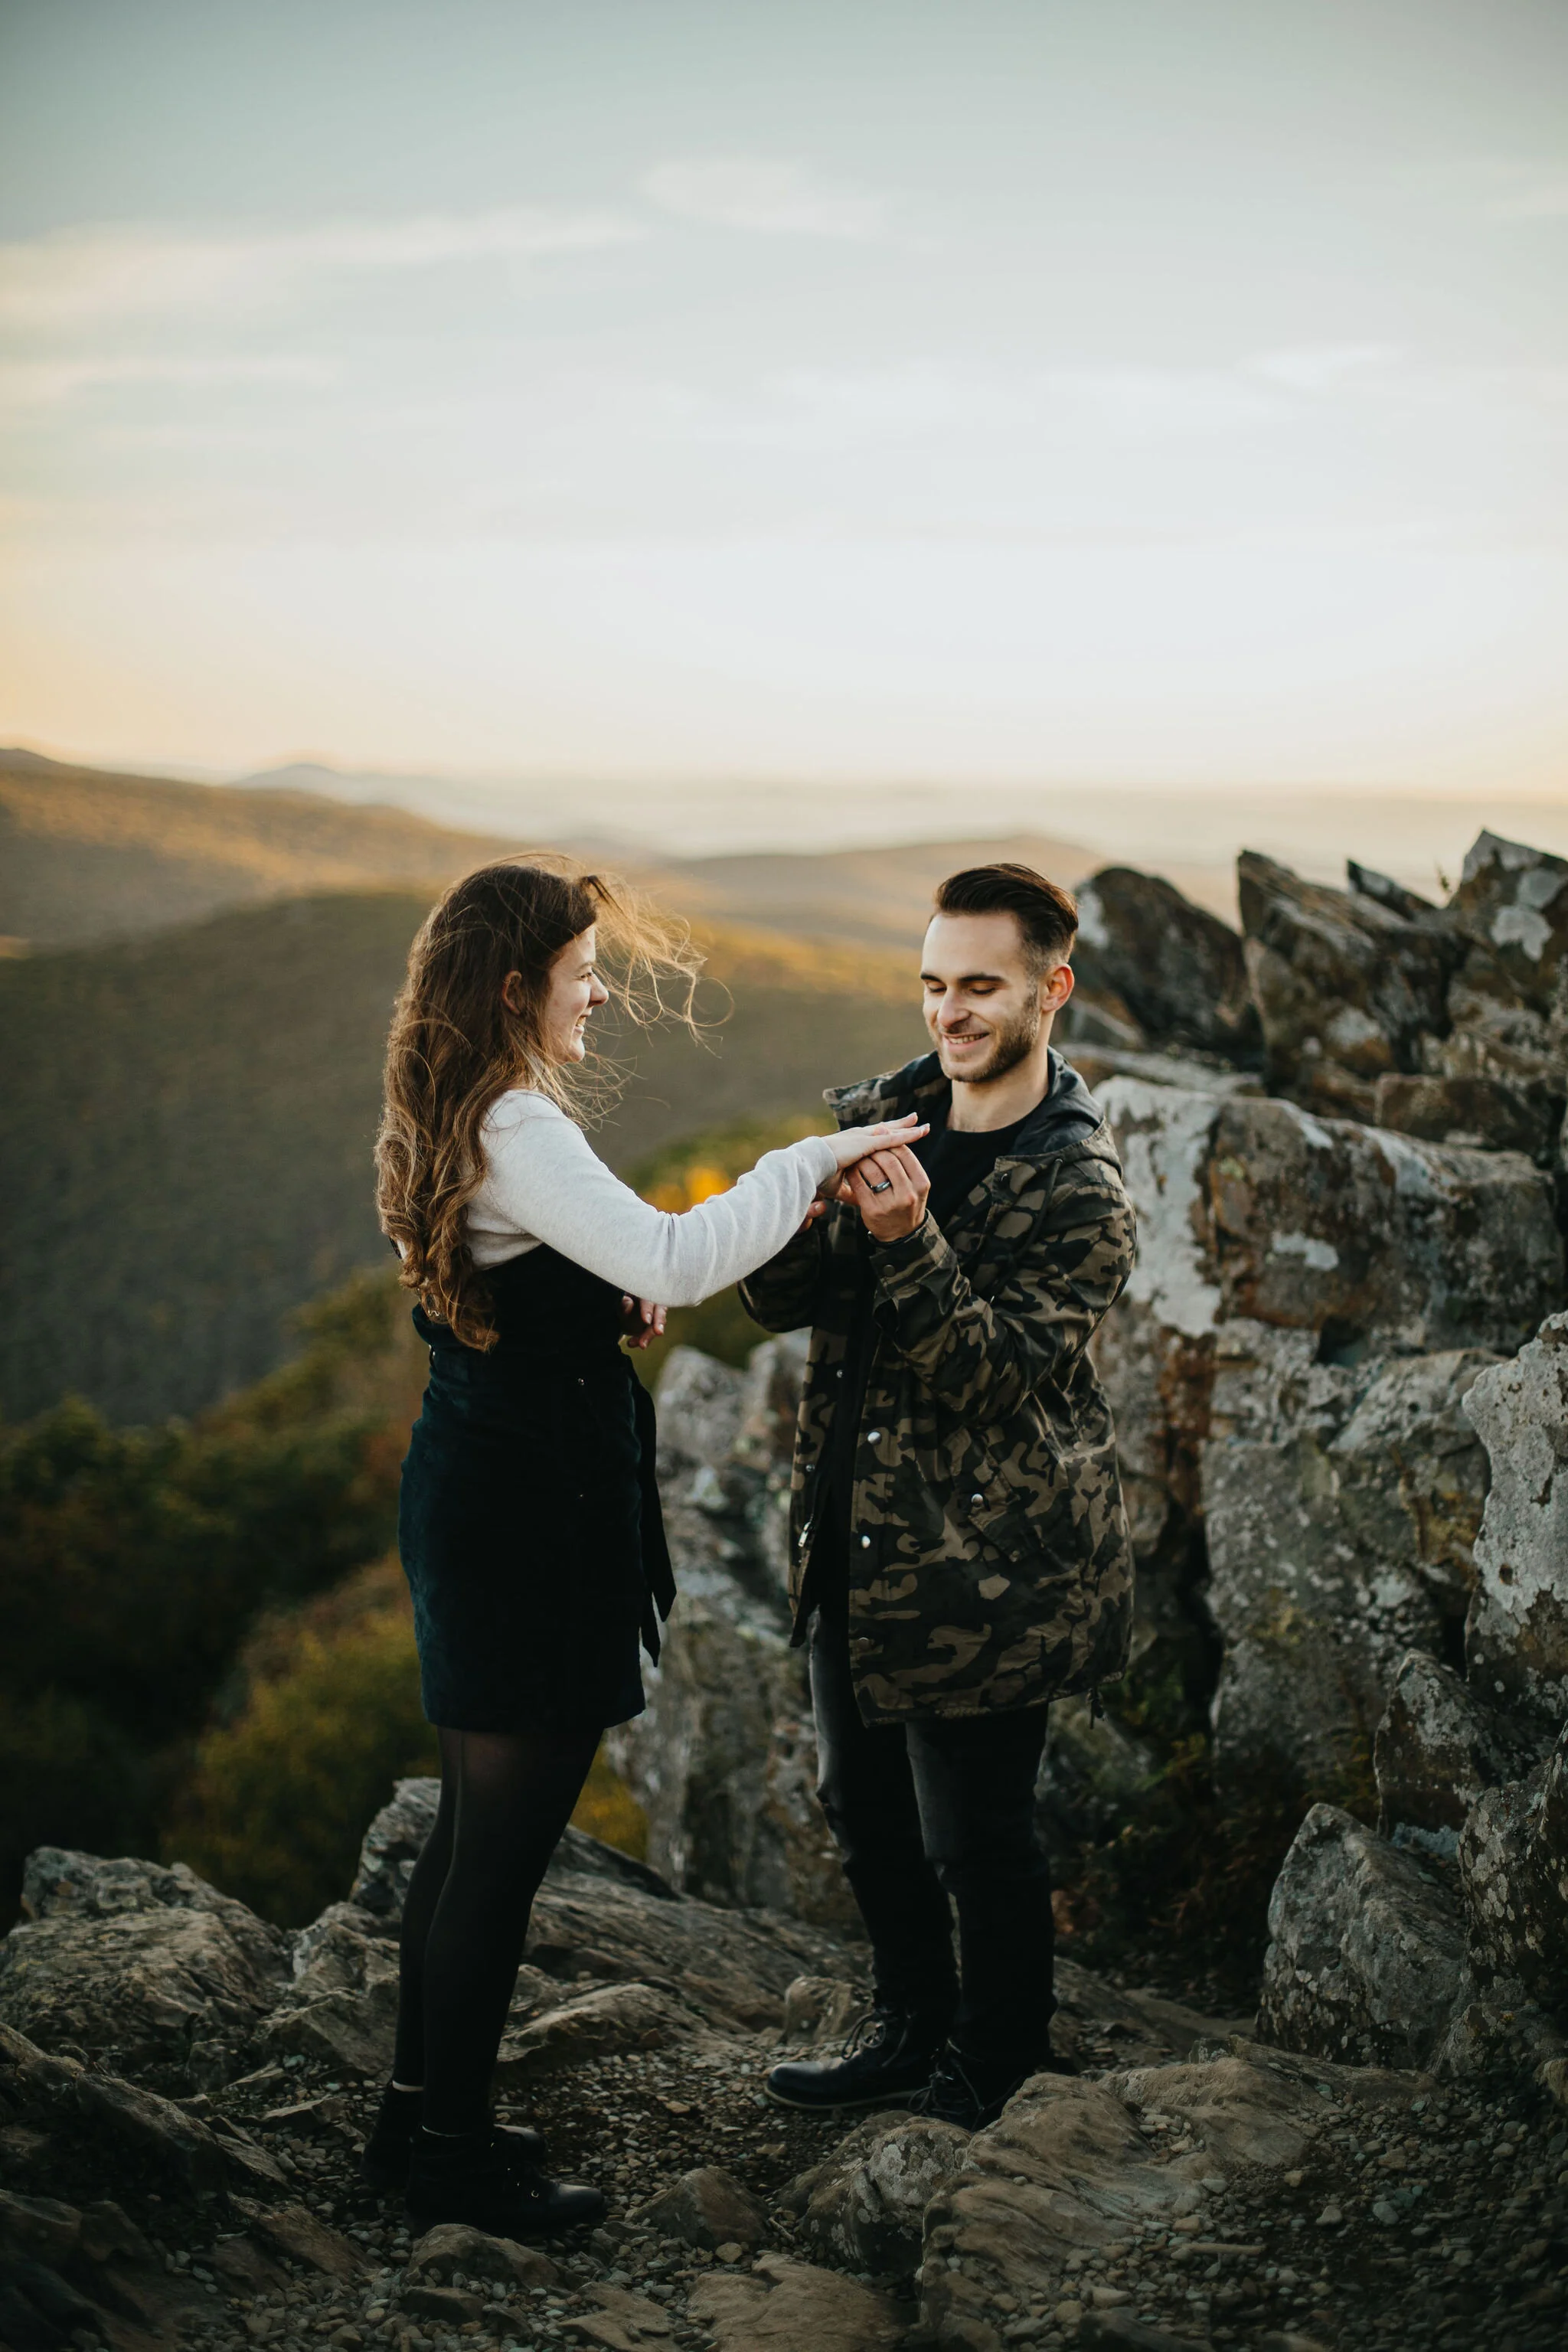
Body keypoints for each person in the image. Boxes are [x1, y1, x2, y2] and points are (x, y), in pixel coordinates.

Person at [364, 859, 926, 2235]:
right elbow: (678, 1258)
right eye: (579, 975)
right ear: (515, 990)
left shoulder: (459, 1113)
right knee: (497, 1853)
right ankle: (451, 2157)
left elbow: (521, 1284)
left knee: (465, 1834)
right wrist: (810, 1161)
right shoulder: (518, 1124)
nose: (599, 993)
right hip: (529, 1521)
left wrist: (585, 1305)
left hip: (481, 1490)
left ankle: (411, 2123)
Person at [740, 861, 1137, 2130]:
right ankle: (908, 2027)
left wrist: (914, 1246)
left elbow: (997, 1382)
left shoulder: (1079, 1187)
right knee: (863, 1809)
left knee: (979, 1838)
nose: (948, 1013)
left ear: (1049, 991)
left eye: (979, 986)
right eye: (931, 985)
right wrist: (803, 1216)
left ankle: (1000, 2060)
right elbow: (775, 1300)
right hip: (853, 1540)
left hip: (989, 1570)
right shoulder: (889, 1118)